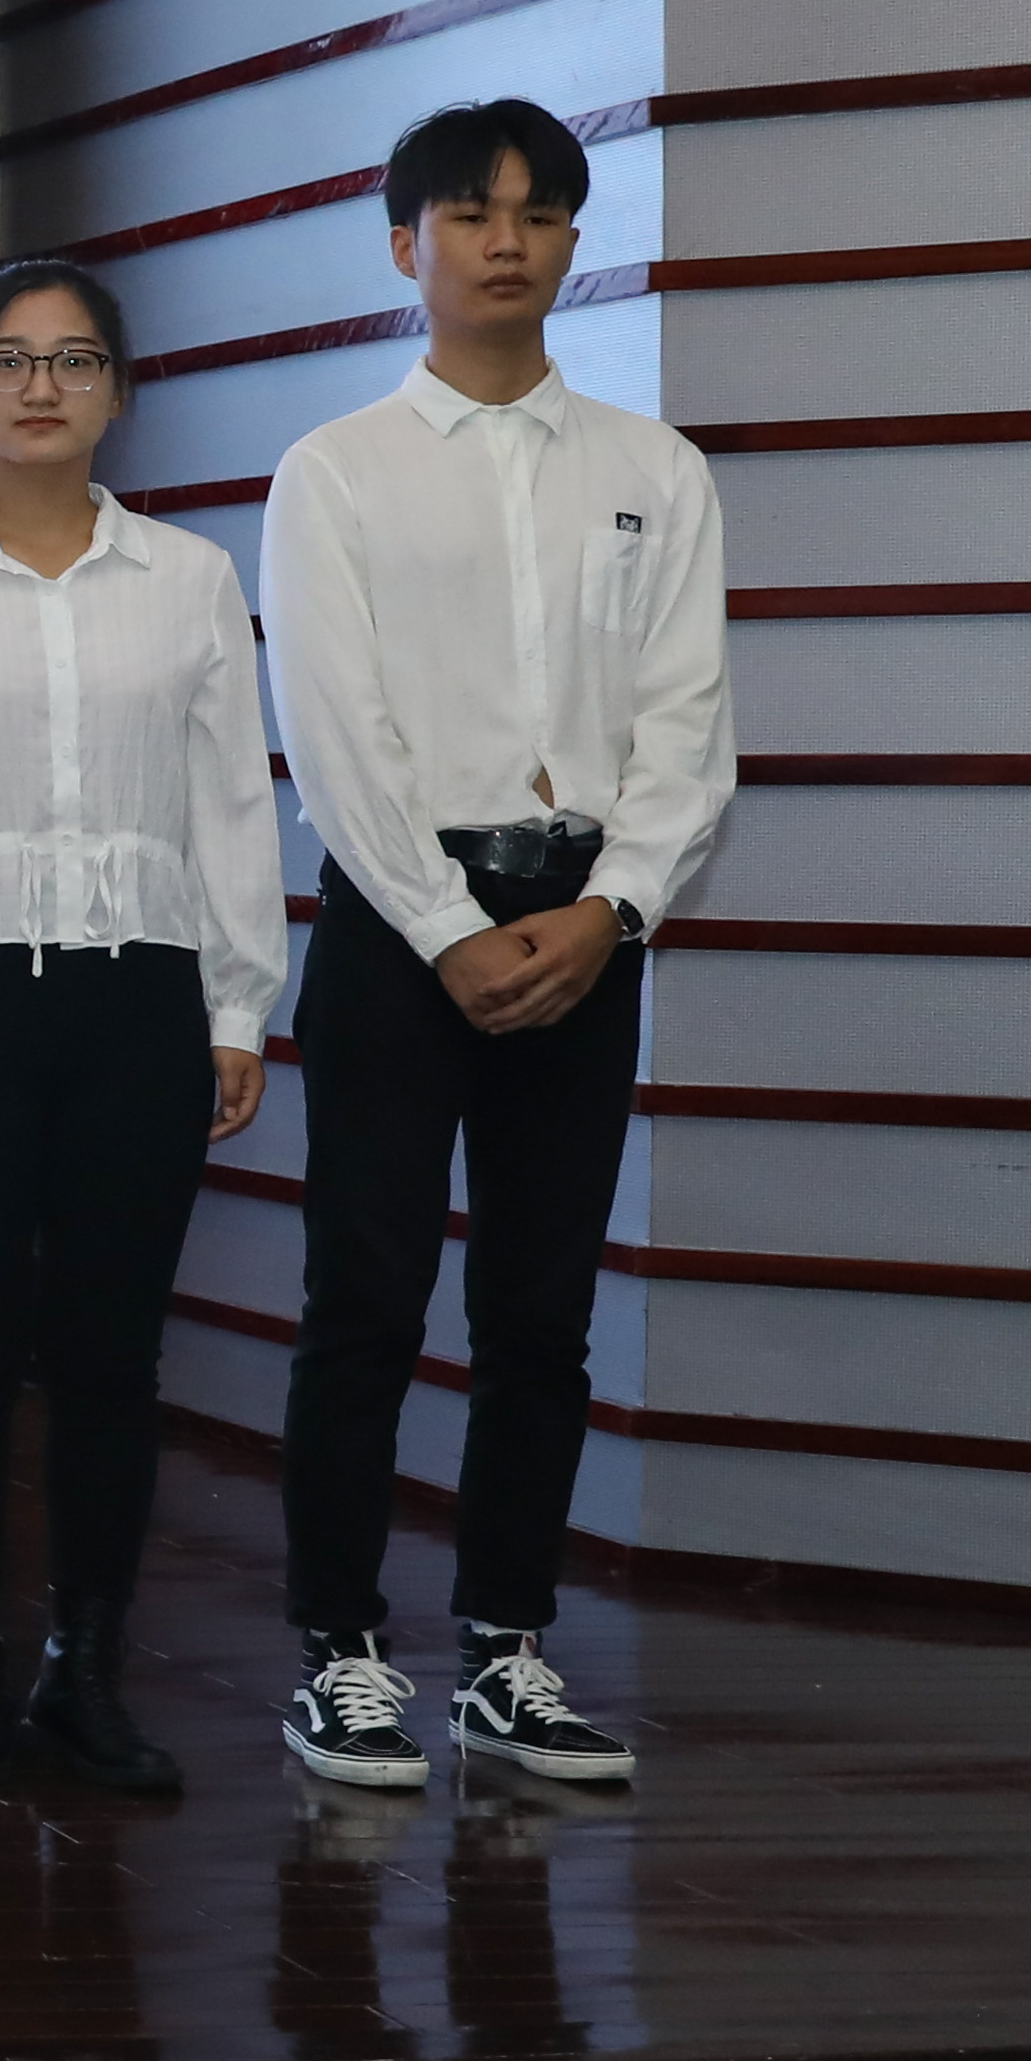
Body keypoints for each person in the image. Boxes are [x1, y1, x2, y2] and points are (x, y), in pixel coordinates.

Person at [258, 99, 729, 1793]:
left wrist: (616, 909)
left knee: (542, 1311)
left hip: (587, 928)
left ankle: (507, 1654)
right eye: (469, 214)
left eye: (538, 212)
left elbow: (688, 723)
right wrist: (451, 929)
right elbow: (336, 735)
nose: (506, 240)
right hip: (403, 929)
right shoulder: (337, 471)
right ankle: (340, 1652)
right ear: (409, 247)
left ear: (575, 240)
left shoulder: (653, 471)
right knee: (365, 1300)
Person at [0, 257, 278, 1796]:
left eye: (76, 361)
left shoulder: (191, 580)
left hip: (138, 996)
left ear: (120, 392)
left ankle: (90, 1671)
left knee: (108, 1356)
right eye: (8, 360)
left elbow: (231, 803)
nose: (41, 388)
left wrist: (238, 1001)